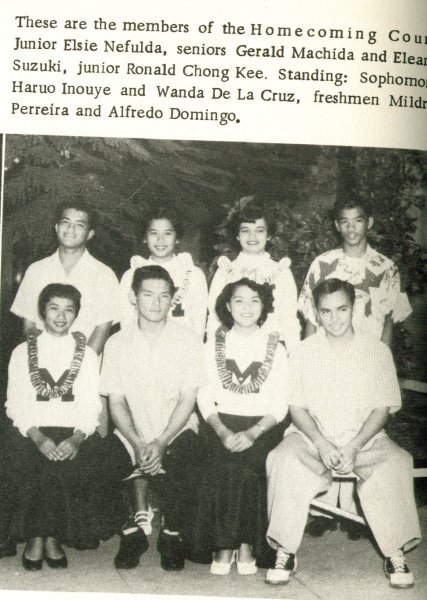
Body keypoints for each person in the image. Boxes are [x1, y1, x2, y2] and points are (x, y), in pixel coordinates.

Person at [265, 279, 421, 589]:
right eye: (326, 311)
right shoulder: (303, 352)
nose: (334, 319)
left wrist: (354, 446)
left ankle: (394, 553)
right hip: (311, 438)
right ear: (316, 313)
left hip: (365, 440)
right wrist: (321, 443)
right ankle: (285, 550)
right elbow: (296, 407)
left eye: (341, 309)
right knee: (281, 458)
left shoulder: (377, 351)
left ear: (354, 309)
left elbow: (382, 409)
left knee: (397, 461)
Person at [298, 197, 413, 539]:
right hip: (327, 358)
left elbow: (388, 321)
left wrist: (384, 366)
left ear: (369, 222)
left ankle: (354, 510)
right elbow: (310, 318)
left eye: (358, 220)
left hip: (366, 363)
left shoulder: (385, 267)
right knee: (327, 425)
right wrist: (307, 363)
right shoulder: (323, 264)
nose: (351, 228)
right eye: (344, 221)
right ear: (336, 225)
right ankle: (323, 507)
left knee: (361, 432)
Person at [0, 284, 129, 570]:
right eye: (54, 308)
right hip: (31, 431)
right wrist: (37, 437)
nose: (61, 316)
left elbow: (91, 405)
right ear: (42, 311)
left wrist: (77, 438)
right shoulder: (22, 352)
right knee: (28, 461)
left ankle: (53, 537)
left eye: (68, 310)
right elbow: (14, 404)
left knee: (75, 464)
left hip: (73, 431)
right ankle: (36, 538)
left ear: (76, 314)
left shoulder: (87, 355)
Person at [101, 265, 204, 571]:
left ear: (173, 299)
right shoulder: (116, 343)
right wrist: (136, 442)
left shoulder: (188, 340)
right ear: (134, 297)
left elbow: (188, 399)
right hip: (131, 433)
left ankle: (171, 534)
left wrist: (161, 442)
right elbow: (116, 401)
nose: (156, 303)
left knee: (195, 461)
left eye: (164, 296)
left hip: (175, 430)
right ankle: (131, 533)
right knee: (93, 464)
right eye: (148, 294)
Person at [192, 278, 289, 575]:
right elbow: (204, 395)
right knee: (222, 465)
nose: (247, 308)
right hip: (220, 422)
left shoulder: (276, 347)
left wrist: (253, 432)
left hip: (262, 425)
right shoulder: (213, 345)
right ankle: (224, 545)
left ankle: (246, 544)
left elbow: (281, 402)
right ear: (227, 306)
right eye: (239, 300)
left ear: (264, 306)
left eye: (254, 301)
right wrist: (222, 431)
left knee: (249, 466)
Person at [10, 200, 120, 355]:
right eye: (66, 222)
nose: (70, 229)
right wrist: (41, 359)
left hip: (86, 363)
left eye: (79, 225)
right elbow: (29, 325)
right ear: (56, 227)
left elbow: (102, 328)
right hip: (41, 362)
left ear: (89, 234)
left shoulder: (104, 275)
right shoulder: (36, 270)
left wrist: (83, 364)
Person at [207, 199, 300, 353]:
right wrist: (212, 352)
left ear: (269, 235)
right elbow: (214, 317)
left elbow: (290, 319)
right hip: (234, 347)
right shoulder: (225, 270)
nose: (252, 236)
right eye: (245, 230)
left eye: (259, 230)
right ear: (237, 235)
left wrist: (294, 356)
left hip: (273, 348)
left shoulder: (281, 271)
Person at [119, 206, 208, 339]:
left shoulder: (194, 274)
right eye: (154, 233)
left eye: (167, 233)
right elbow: (126, 322)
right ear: (144, 237)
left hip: (183, 346)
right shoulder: (130, 275)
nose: (160, 240)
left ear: (177, 238)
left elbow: (198, 324)